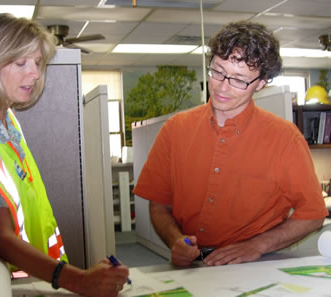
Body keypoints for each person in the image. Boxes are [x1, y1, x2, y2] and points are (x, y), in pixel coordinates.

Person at [0, 13, 128, 297]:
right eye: (21, 62)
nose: (35, 73)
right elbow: (1, 240)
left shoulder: (5, 121)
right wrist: (79, 280)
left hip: (26, 280)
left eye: (37, 62)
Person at [133, 20, 328, 267]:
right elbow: (159, 204)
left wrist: (255, 246)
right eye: (217, 71)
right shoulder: (175, 130)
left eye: (238, 80)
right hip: (193, 267)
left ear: (260, 83)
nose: (222, 87)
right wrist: (176, 240)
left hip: (255, 265)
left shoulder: (285, 139)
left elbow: (312, 215)